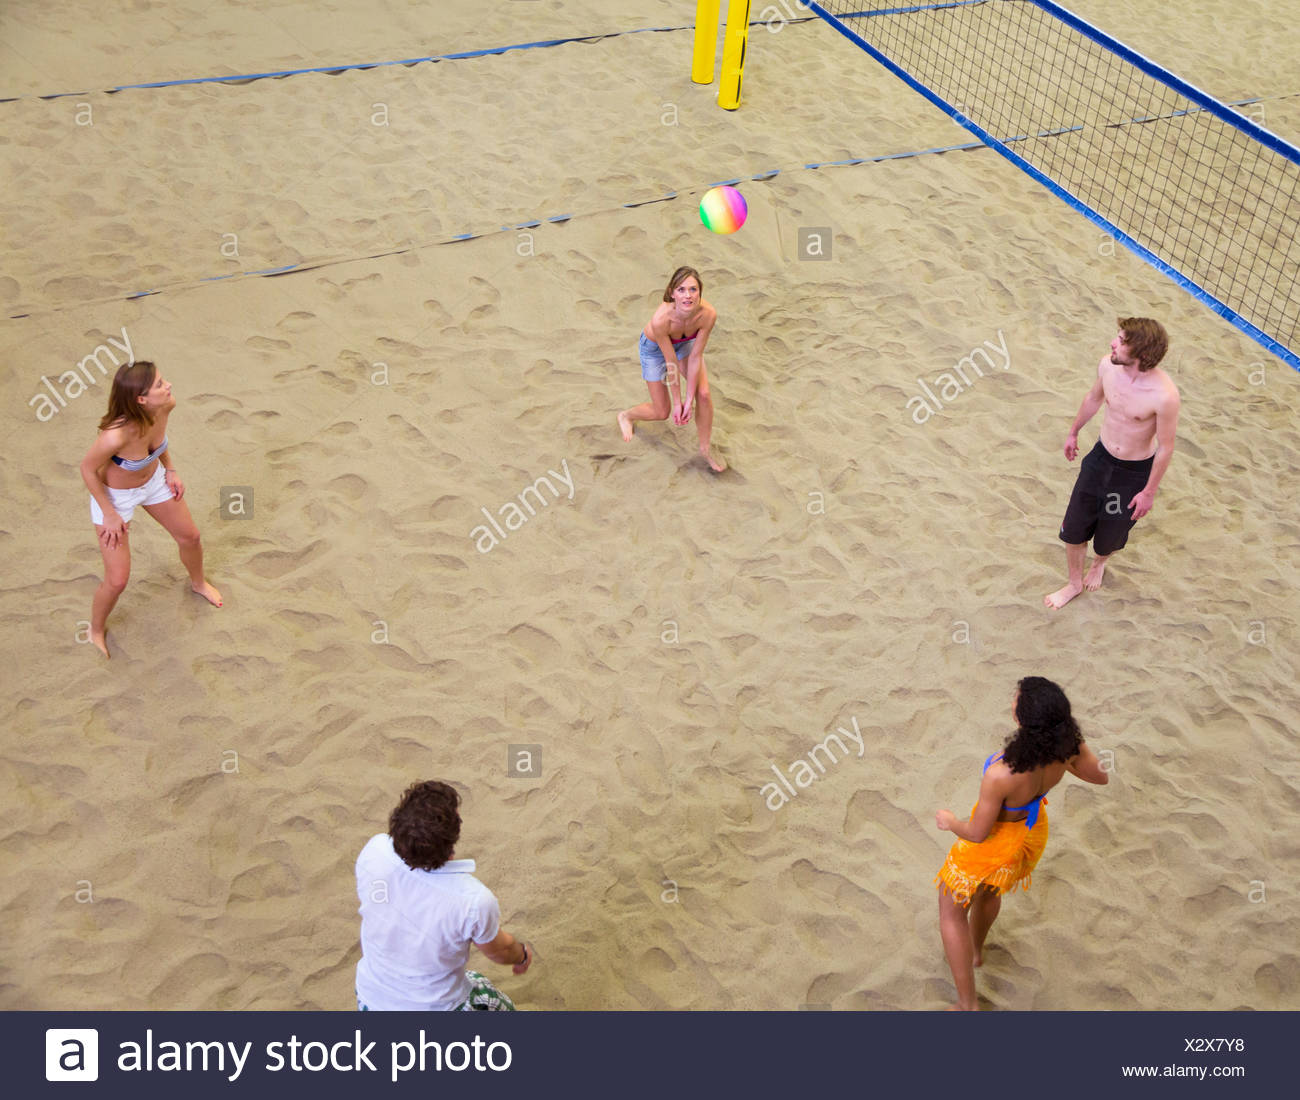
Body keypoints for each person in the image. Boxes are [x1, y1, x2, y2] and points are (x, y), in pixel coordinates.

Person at [934, 677, 1108, 1010]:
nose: (1014, 698)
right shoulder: (1067, 744)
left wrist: (950, 822)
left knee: (950, 911)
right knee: (990, 892)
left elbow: (977, 833)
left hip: (994, 845)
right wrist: (1072, 747)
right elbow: (1100, 776)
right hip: (1030, 835)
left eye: (1017, 699)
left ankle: (966, 1005)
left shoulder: (1001, 774)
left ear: (1022, 720)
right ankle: (975, 951)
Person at [79, 360, 221, 658]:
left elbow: (158, 442)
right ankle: (94, 630)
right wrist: (109, 513)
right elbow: (88, 469)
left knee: (191, 537)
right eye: (159, 384)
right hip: (115, 497)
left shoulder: (165, 406)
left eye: (162, 380)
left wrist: (170, 470)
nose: (167, 385)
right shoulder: (115, 435)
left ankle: (198, 583)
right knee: (117, 579)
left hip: (154, 481)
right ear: (140, 399)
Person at [354, 780, 534, 1011]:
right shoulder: (473, 899)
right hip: (437, 1006)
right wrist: (521, 955)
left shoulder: (375, 850)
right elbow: (501, 951)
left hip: (373, 998)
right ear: (452, 837)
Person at [1045, 318, 1180, 609]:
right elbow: (1094, 398)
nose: (1112, 344)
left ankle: (1099, 564)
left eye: (1120, 341)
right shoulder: (1108, 366)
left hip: (1131, 474)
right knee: (1074, 528)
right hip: (1099, 460)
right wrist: (1073, 431)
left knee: (1108, 538)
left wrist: (1149, 492)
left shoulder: (1165, 396)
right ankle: (1073, 583)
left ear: (1141, 354)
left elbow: (1166, 447)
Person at [617, 265, 726, 471]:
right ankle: (627, 416)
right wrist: (678, 402)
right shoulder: (661, 320)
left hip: (684, 346)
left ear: (700, 292)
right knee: (662, 411)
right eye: (681, 290)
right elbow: (671, 363)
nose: (688, 296)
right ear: (672, 293)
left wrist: (689, 398)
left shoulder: (708, 315)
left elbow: (695, 357)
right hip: (655, 350)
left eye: (693, 289)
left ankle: (705, 449)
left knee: (703, 394)